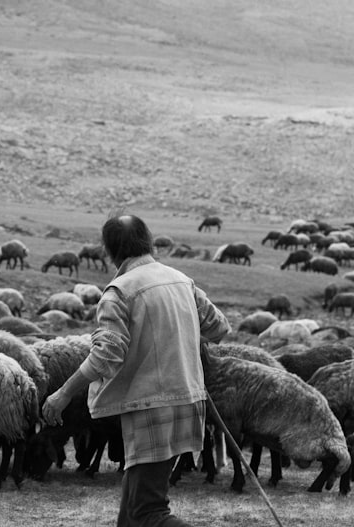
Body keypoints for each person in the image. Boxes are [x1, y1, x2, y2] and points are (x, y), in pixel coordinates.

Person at [41, 214, 231, 527]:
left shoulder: (119, 291)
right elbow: (219, 328)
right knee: (131, 512)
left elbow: (107, 355)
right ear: (148, 240)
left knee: (149, 511)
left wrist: (62, 394)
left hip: (151, 406)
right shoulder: (181, 280)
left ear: (109, 250)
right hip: (186, 400)